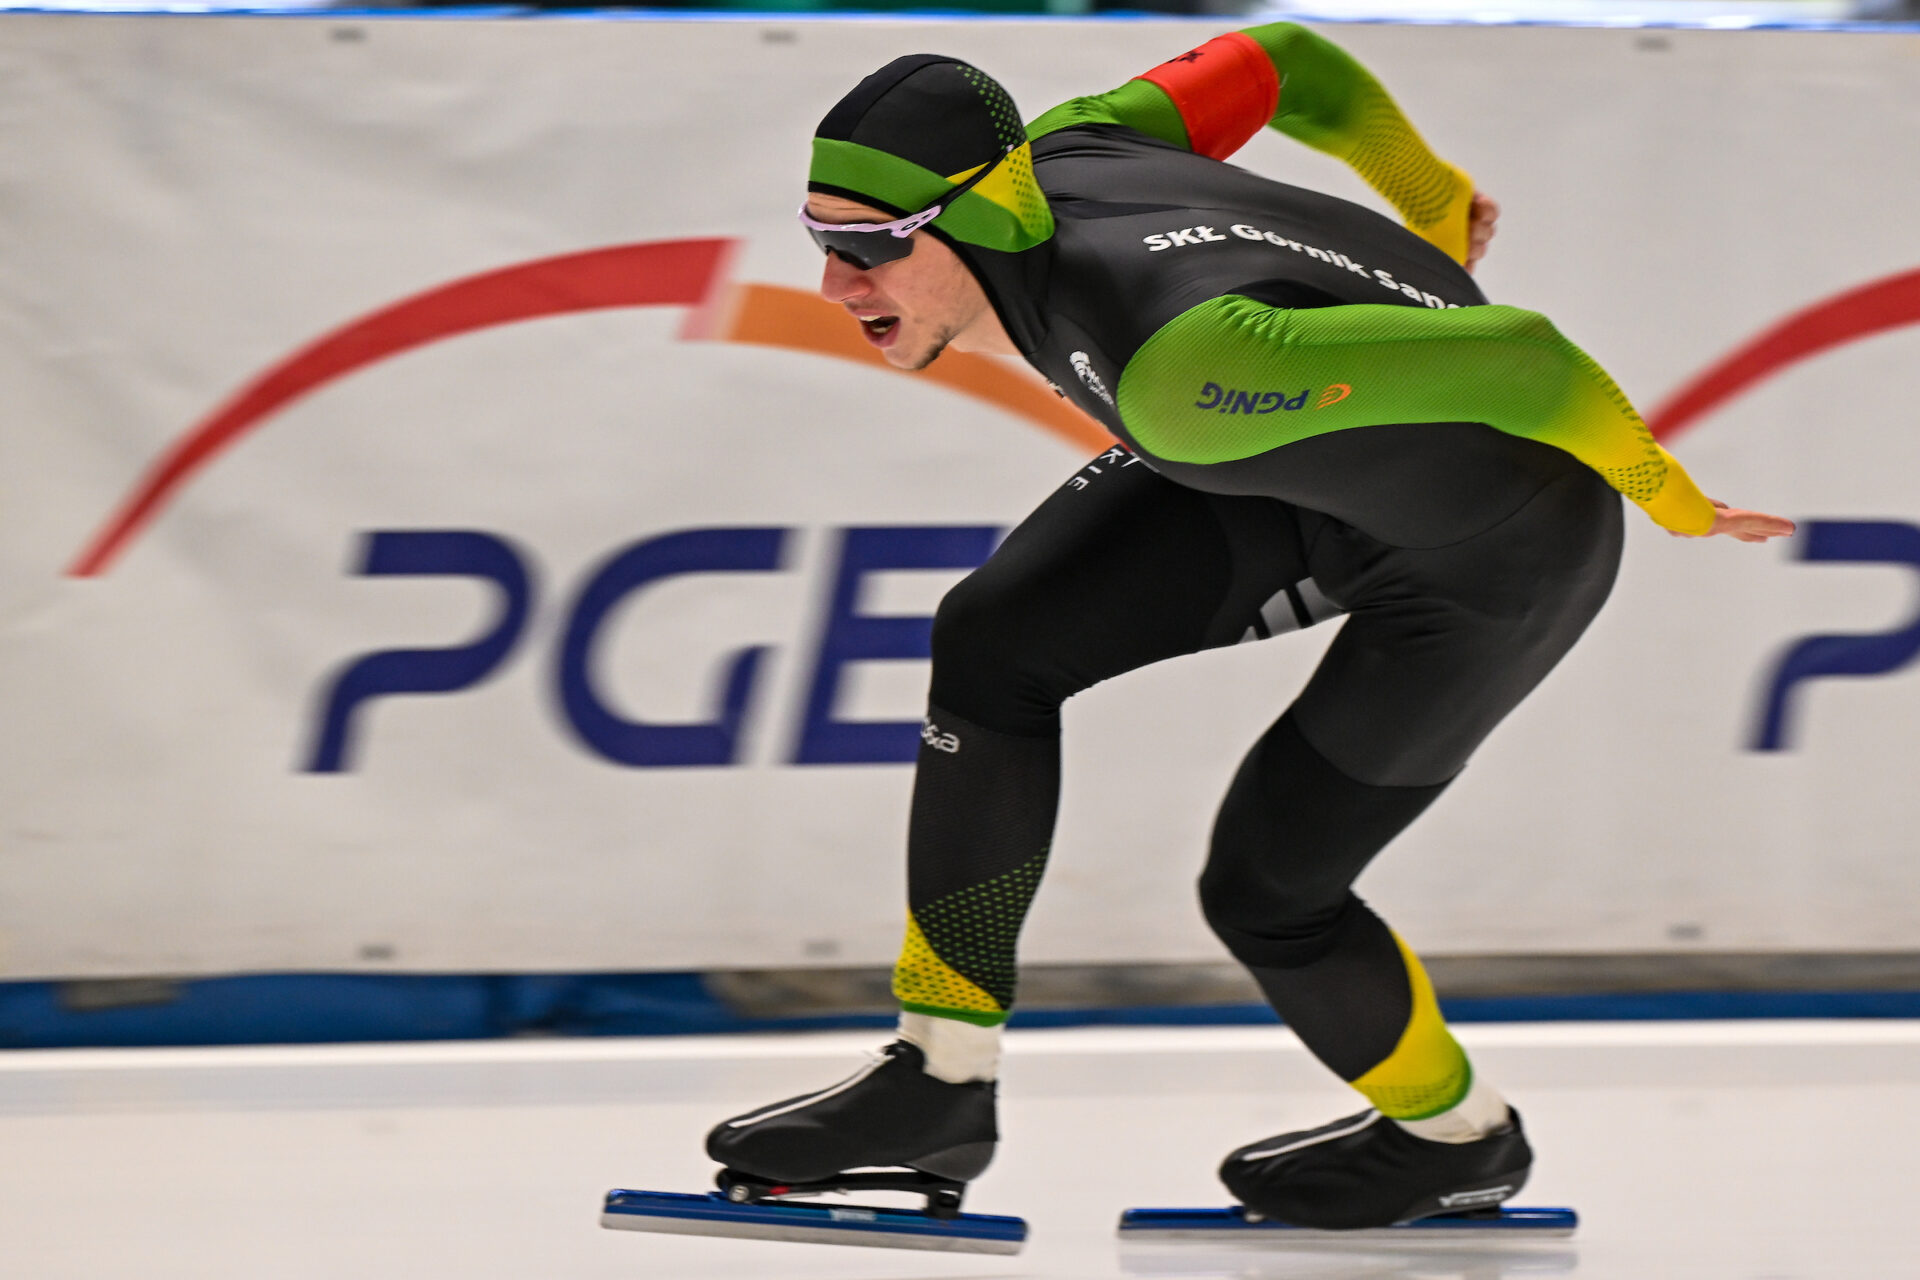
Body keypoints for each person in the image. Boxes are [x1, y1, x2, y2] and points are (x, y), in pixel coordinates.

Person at [706, 24, 1795, 1230]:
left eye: (870, 247)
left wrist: (1670, 497)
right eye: (821, 241)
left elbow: (1529, 359)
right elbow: (1283, 59)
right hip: (1290, 462)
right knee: (991, 641)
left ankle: (1456, 1139)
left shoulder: (1184, 366)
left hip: (1495, 554)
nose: (836, 286)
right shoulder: (1073, 140)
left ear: (981, 215)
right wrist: (1429, 192)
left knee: (1269, 890)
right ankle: (938, 1079)